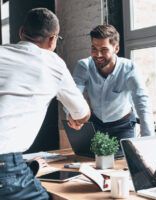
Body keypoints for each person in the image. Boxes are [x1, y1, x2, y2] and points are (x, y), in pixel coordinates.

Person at [0, 8, 90, 199]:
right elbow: (83, 114)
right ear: (52, 39)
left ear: (21, 32)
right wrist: (75, 118)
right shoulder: (52, 62)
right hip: (5, 167)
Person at [69, 24, 154, 148]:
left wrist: (149, 142)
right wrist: (72, 114)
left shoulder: (129, 68)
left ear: (116, 48)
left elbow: (142, 102)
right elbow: (73, 94)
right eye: (94, 48)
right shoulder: (84, 66)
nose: (98, 55)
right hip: (96, 124)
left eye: (104, 50)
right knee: (91, 163)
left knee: (126, 163)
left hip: (123, 126)